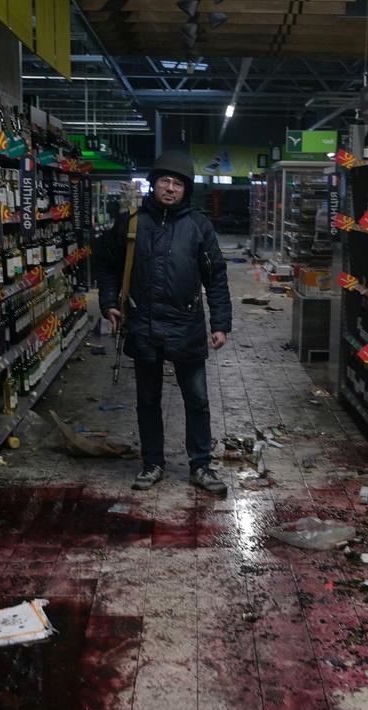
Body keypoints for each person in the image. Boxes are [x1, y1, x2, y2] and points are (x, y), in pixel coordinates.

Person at [94, 151, 233, 496]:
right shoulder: (131, 222)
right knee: (147, 399)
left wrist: (220, 322)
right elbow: (108, 266)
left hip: (186, 324)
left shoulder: (199, 226)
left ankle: (201, 465)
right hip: (143, 323)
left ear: (186, 190)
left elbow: (215, 278)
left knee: (197, 399)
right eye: (165, 181)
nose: (170, 188)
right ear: (153, 184)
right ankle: (152, 462)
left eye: (178, 183)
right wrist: (110, 302)